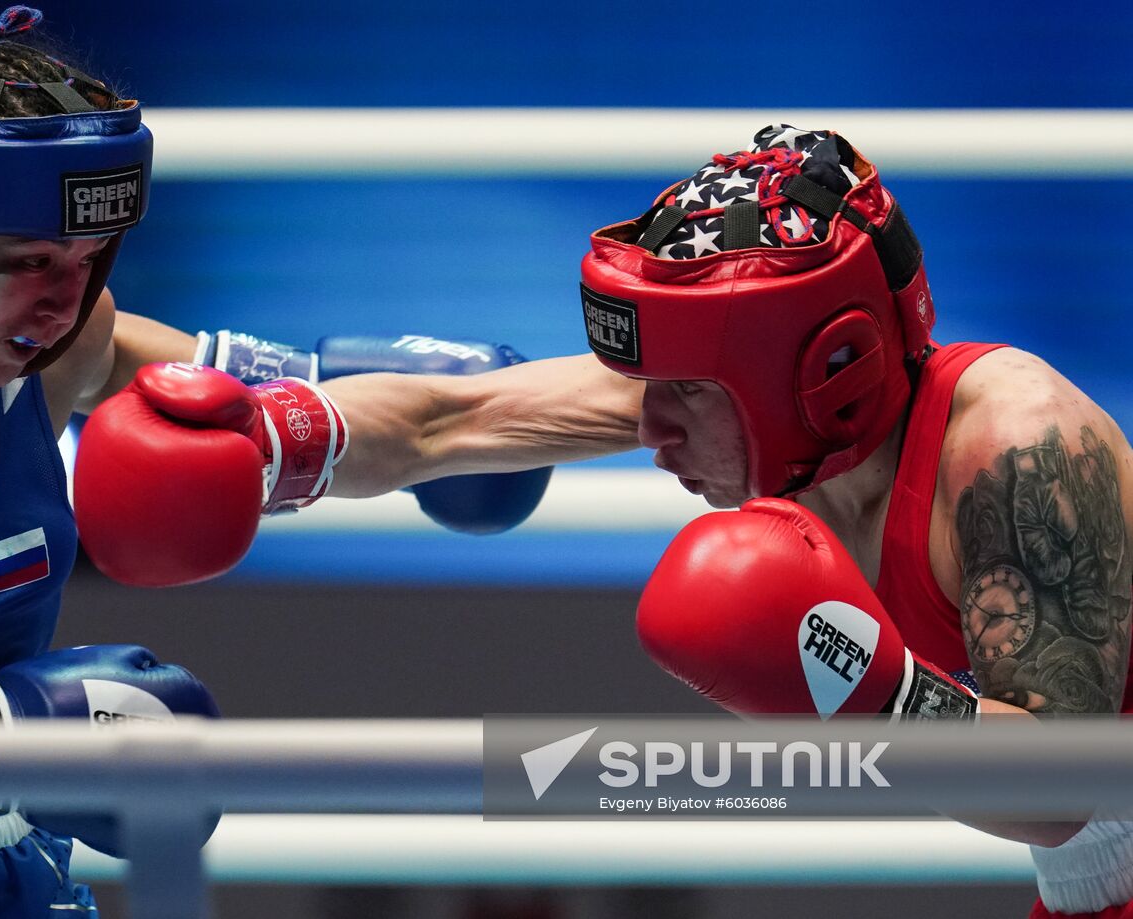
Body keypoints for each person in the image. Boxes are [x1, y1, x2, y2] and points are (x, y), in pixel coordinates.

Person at [78, 125, 1133, 917]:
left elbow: (1064, 792)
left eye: (685, 393)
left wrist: (867, 693)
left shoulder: (1015, 446)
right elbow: (448, 420)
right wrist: (275, 441)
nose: (648, 425)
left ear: (819, 375)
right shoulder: (771, 416)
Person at [0, 7, 549, 917]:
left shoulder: (66, 338)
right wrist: (7, 738)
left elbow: (332, 407)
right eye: (32, 259)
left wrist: (684, 396)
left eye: (87, 258)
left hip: (1, 875)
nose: (63, 303)